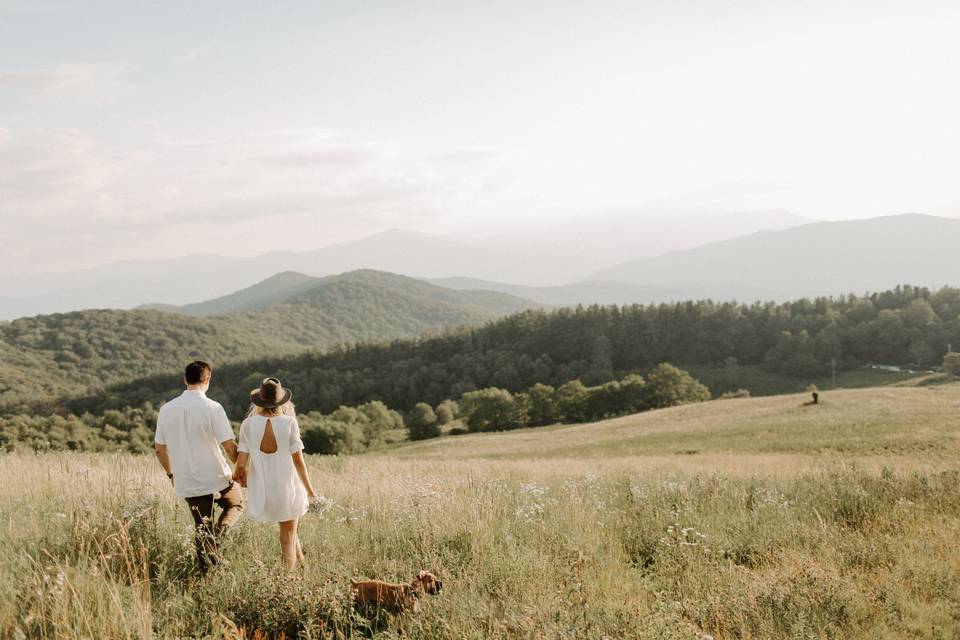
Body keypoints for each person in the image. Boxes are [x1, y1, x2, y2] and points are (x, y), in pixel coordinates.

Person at [154, 360, 243, 574]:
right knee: (236, 504)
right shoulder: (212, 407)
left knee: (202, 528)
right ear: (208, 379)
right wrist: (241, 471)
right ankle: (217, 541)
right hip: (217, 477)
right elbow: (230, 447)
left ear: (185, 379)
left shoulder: (167, 409)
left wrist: (171, 473)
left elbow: (159, 449)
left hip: (186, 479)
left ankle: (205, 575)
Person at [232, 377, 317, 569]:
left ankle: (303, 569)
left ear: (259, 401)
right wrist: (311, 492)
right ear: (281, 401)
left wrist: (235, 478)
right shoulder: (289, 423)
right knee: (287, 536)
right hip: (288, 487)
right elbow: (298, 462)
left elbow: (241, 463)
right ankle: (288, 583)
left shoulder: (248, 424)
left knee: (291, 533)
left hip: (263, 490)